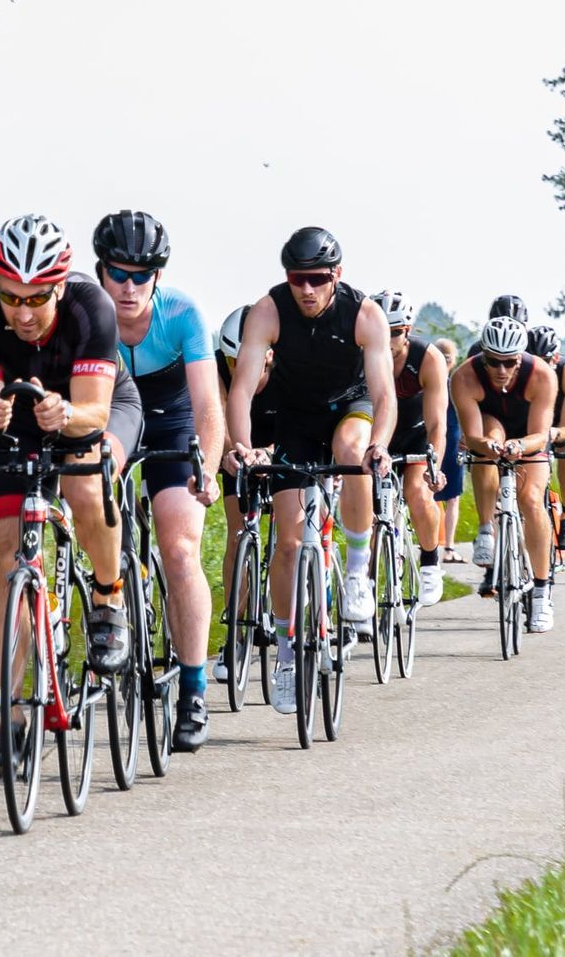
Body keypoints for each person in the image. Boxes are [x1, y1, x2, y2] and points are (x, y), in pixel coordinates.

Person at [0, 214, 142, 772]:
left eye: (37, 298)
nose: (23, 313)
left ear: (60, 286)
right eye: (12, 298)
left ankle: (108, 597)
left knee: (86, 487)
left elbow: (96, 411)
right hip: (21, 424)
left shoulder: (91, 308)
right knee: (8, 552)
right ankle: (12, 715)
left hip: (92, 408)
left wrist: (67, 413)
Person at [226, 227, 395, 715]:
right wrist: (243, 447)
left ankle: (357, 569)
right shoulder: (268, 311)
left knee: (351, 449)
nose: (306, 289)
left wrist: (380, 446)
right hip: (295, 419)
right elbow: (241, 390)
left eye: (317, 279)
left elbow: (384, 393)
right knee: (288, 541)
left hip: (351, 406)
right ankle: (285, 653)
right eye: (297, 278)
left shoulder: (364, 314)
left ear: (336, 275)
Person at [95, 210, 224, 752]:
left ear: (158, 277)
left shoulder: (182, 313)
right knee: (97, 526)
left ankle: (193, 689)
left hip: (173, 421)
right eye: (118, 274)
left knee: (179, 548)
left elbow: (208, 405)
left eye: (141, 276)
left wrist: (207, 469)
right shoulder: (86, 311)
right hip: (109, 417)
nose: (129, 288)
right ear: (100, 272)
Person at [450, 314, 558, 631]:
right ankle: (486, 528)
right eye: (493, 361)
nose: (501, 370)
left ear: (520, 358)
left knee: (531, 499)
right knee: (487, 443)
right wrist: (487, 445)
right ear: (482, 355)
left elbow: (541, 435)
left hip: (528, 435)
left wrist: (520, 446)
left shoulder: (541, 375)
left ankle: (541, 592)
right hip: (490, 427)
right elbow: (471, 437)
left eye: (509, 362)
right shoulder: (464, 377)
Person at [213, 301, 274, 682]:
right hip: (238, 447)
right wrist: (227, 453)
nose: (240, 371)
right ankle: (234, 634)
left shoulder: (289, 366)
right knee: (238, 535)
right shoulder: (218, 369)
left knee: (295, 529)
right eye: (232, 362)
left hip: (280, 441)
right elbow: (216, 414)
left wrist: (271, 452)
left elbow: (301, 422)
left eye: (247, 362)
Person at [374, 291, 447, 605]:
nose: (386, 340)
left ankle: (430, 563)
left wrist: (434, 465)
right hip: (378, 438)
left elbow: (437, 423)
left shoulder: (427, 358)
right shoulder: (360, 356)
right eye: (380, 331)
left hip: (416, 436)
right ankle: (368, 581)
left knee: (417, 491)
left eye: (394, 332)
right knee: (369, 510)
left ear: (407, 331)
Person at [528, 322, 565, 550]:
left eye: (544, 361)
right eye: (533, 361)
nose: (538, 367)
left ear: (555, 358)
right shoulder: (521, 371)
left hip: (564, 414)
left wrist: (554, 433)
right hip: (536, 411)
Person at [432, 337, 466, 557]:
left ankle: (430, 544)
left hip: (431, 439)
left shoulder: (427, 381)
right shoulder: (455, 384)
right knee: (453, 498)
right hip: (453, 438)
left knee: (428, 494)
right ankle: (449, 547)